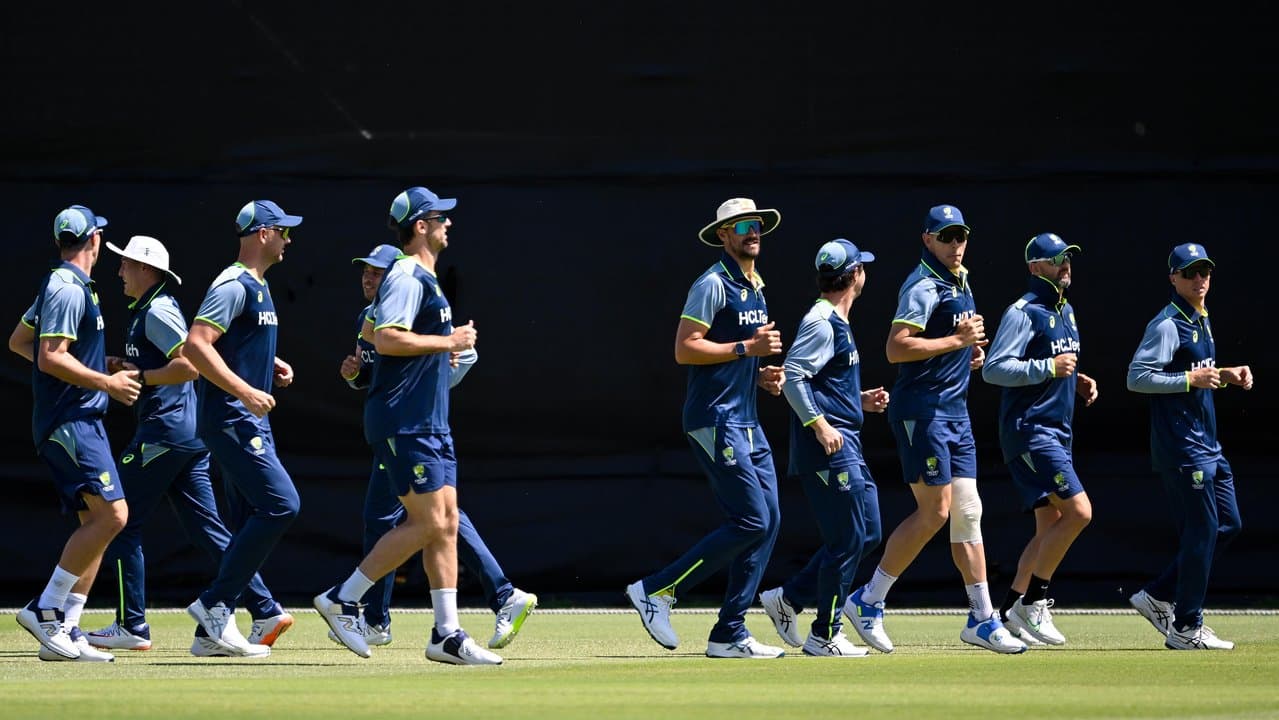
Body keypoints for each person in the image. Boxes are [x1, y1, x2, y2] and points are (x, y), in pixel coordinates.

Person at [316, 186, 502, 666]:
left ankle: (447, 634)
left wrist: (451, 351)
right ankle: (344, 597)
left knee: (446, 525)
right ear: (420, 226)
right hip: (404, 421)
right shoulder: (404, 275)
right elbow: (388, 338)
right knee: (428, 523)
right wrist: (448, 341)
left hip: (429, 421)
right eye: (441, 217)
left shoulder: (423, 277)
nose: (449, 224)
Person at [83, 235, 293, 656]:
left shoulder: (158, 309)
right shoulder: (150, 307)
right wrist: (131, 367)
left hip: (166, 433)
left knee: (116, 517)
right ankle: (263, 606)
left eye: (126, 264)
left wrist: (141, 377)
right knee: (208, 529)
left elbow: (188, 363)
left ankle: (132, 623)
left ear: (146, 269)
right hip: (186, 434)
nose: (120, 271)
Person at [333, 243, 537, 651]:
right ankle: (384, 619)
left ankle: (358, 606)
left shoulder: (413, 297)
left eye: (377, 272)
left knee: (436, 517)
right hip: (400, 427)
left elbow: (458, 355)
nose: (369, 278)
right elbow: (378, 372)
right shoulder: (368, 318)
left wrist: (450, 354)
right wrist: (354, 374)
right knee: (415, 517)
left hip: (415, 427)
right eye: (365, 272)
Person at [844, 204, 1026, 654]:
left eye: (960, 235)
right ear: (927, 240)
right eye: (946, 237)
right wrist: (957, 342)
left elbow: (949, 344)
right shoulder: (923, 284)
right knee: (936, 512)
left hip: (954, 412)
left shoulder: (959, 279)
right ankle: (868, 600)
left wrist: (967, 355)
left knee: (968, 511)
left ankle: (981, 619)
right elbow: (896, 347)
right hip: (922, 411)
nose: (956, 244)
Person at [625, 197, 787, 660]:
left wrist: (759, 374)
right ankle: (657, 590)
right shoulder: (712, 283)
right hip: (714, 419)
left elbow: (738, 356)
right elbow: (685, 349)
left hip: (747, 419)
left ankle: (729, 632)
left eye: (755, 224)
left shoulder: (755, 286)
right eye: (740, 227)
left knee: (768, 521)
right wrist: (746, 349)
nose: (751, 232)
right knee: (751, 519)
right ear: (722, 235)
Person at [9, 205, 138, 662]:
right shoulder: (66, 286)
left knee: (96, 526)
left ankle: (67, 626)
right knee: (114, 517)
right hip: (71, 422)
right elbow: (47, 356)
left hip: (79, 418)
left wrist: (91, 367)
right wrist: (105, 381)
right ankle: (44, 609)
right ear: (95, 241)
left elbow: (18, 343)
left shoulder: (69, 284)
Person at [181, 200, 304, 658]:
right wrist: (245, 392)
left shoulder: (258, 285)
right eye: (284, 232)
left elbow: (231, 342)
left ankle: (209, 635)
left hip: (247, 419)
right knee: (281, 505)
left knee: (243, 521)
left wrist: (266, 364)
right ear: (264, 234)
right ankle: (214, 605)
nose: (290, 240)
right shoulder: (233, 283)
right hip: (233, 419)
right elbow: (197, 344)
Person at [757, 239, 888, 658]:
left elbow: (819, 381)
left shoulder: (836, 321)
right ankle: (825, 634)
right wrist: (820, 423)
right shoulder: (822, 320)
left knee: (866, 533)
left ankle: (790, 598)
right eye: (862, 268)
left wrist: (858, 400)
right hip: (831, 446)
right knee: (849, 538)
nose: (865, 273)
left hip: (846, 439)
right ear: (854, 276)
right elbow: (794, 376)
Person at [1126, 243, 1251, 651]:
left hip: (1208, 445)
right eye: (1190, 273)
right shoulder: (1167, 324)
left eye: (1205, 272)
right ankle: (1185, 626)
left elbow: (1197, 371)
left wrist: (1225, 375)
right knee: (1202, 531)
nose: (1200, 280)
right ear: (1173, 279)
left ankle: (1160, 594)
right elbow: (1137, 377)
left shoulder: (1201, 318)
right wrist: (1187, 381)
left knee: (1227, 525)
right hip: (1182, 448)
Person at [982, 233, 1098, 647]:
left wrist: (1076, 382)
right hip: (1030, 432)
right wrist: (1049, 368)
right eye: (1055, 261)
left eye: (1067, 258)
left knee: (1049, 524)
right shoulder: (1023, 311)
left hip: (1056, 431)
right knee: (1080, 512)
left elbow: (1055, 365)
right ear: (1035, 268)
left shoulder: (1066, 311)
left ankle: (1010, 609)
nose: (1065, 265)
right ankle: (1034, 603)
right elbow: (994, 369)